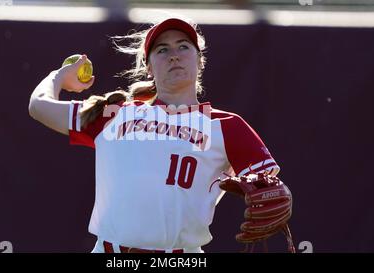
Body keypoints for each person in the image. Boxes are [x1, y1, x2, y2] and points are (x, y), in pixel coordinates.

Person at [28, 17, 285, 253]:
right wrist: (58, 77)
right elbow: (39, 106)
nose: (174, 55)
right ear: (149, 67)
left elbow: (272, 188)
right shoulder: (114, 114)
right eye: (162, 50)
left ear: (200, 60)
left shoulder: (227, 126)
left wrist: (281, 197)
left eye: (183, 47)